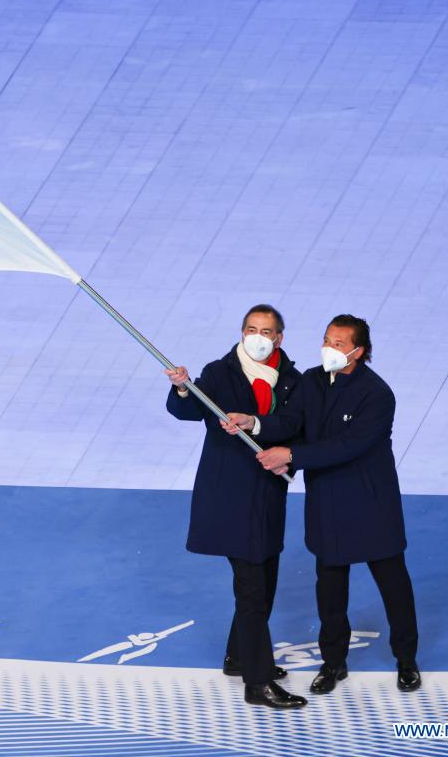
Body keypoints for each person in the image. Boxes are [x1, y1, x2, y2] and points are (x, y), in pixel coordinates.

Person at [224, 314, 421, 693]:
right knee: (330, 592)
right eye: (328, 339)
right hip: (327, 503)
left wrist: (292, 456)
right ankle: (333, 663)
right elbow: (291, 420)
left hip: (371, 506)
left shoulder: (378, 395)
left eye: (340, 344)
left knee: (393, 585)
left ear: (359, 352)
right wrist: (256, 424)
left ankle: (406, 660)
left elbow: (349, 446)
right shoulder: (312, 381)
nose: (330, 348)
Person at [165, 304, 306, 709]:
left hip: (267, 495)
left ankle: (239, 656)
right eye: (250, 329)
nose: (257, 337)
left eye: (266, 331)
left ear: (279, 337)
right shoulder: (219, 372)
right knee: (252, 588)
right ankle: (257, 682)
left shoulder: (293, 380)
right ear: (242, 332)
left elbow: (295, 424)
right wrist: (182, 387)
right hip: (229, 497)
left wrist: (256, 424)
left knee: (267, 578)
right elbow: (187, 410)